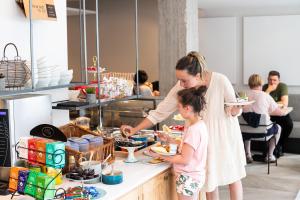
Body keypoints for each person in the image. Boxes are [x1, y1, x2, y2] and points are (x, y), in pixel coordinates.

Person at [121, 51, 246, 200]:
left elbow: (231, 109)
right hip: (201, 140)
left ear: (198, 76)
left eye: (184, 80)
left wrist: (237, 109)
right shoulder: (183, 87)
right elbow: (159, 112)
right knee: (209, 182)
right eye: (179, 80)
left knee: (233, 178)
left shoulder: (220, 80)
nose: (181, 84)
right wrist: (134, 129)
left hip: (224, 135)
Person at [150, 86, 208, 200]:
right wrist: (169, 140)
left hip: (187, 178)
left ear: (187, 108)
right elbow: (187, 146)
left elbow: (184, 159)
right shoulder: (199, 124)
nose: (178, 110)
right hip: (195, 176)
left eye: (179, 107)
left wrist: (160, 156)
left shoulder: (193, 130)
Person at [243, 74, 287, 163]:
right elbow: (279, 113)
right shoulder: (265, 96)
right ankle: (269, 156)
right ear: (261, 83)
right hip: (263, 133)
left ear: (249, 84)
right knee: (278, 128)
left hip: (245, 132)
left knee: (247, 124)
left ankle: (248, 155)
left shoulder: (243, 95)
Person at [262, 70, 293, 156]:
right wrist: (268, 90)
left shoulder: (282, 86)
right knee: (264, 123)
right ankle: (270, 148)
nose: (272, 82)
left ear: (279, 80)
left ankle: (279, 145)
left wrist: (271, 103)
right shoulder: (265, 87)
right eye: (270, 79)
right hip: (269, 114)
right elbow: (262, 102)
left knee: (289, 124)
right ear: (268, 79)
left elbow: (284, 103)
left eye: (274, 80)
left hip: (280, 113)